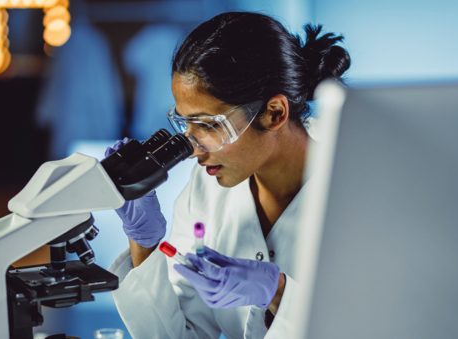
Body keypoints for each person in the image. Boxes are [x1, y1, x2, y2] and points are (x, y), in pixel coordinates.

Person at [107, 11, 351, 339]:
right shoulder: (207, 186)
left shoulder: (359, 182)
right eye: (185, 123)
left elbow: (388, 320)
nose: (193, 148)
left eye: (208, 125)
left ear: (274, 113)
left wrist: (280, 293)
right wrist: (144, 242)